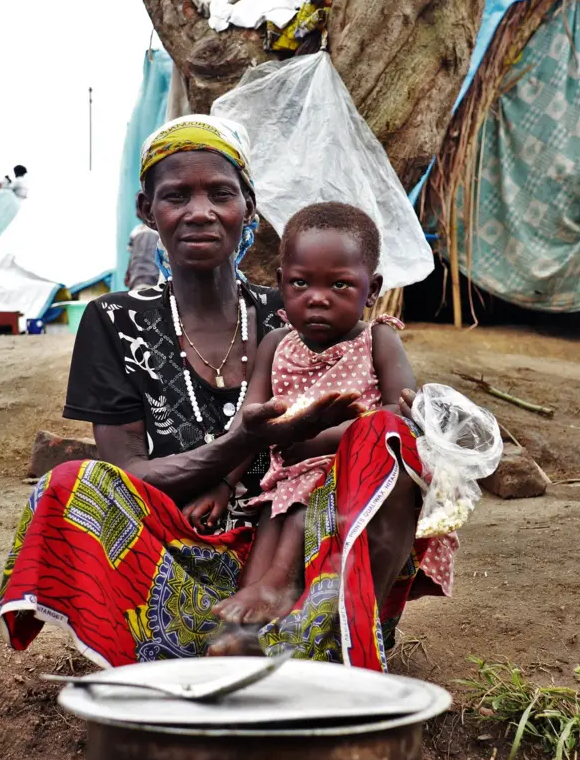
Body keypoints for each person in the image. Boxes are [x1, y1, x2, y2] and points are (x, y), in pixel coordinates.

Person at [0, 114, 455, 673]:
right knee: (70, 486)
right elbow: (130, 472)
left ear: (249, 209)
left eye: (220, 193)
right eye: (176, 196)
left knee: (390, 436)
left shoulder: (296, 310)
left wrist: (412, 419)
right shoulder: (113, 321)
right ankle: (196, 643)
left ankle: (336, 628)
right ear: (148, 212)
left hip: (314, 547)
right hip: (181, 554)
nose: (199, 212)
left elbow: (381, 404)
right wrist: (240, 445)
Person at [183, 201, 439, 630]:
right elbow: (251, 425)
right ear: (281, 284)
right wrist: (224, 483)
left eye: (339, 285)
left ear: (371, 290)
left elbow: (398, 412)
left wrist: (325, 438)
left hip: (354, 476)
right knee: (269, 532)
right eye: (301, 283)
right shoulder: (275, 345)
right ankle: (251, 622)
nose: (317, 298)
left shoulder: (378, 341)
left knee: (303, 510)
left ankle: (282, 591)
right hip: (286, 479)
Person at [125, 206, 161, 289]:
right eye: (138, 207)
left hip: (153, 279)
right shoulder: (135, 231)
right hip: (136, 280)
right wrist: (128, 274)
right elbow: (132, 256)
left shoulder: (158, 231)